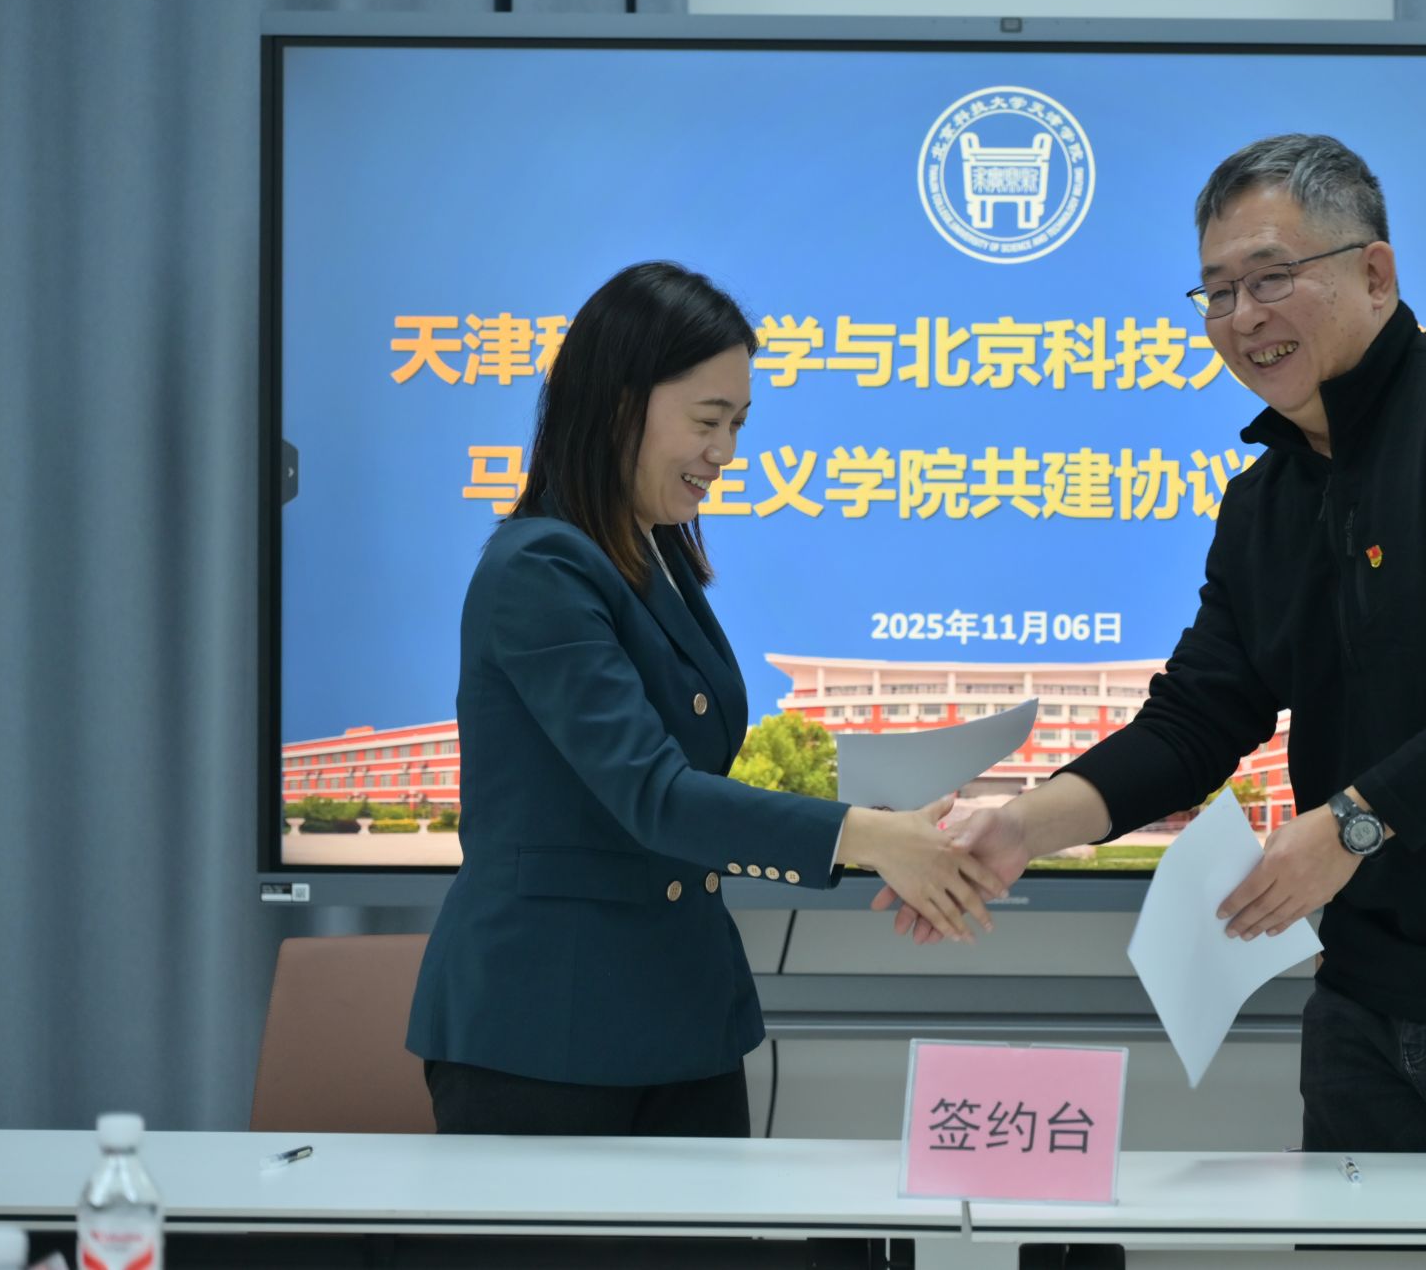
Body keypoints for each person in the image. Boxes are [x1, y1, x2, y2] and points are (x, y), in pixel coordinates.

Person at [880, 134, 1426, 1155]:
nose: (1242, 318)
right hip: (1367, 1000)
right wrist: (1018, 829)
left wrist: (1352, 823)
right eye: (1218, 292)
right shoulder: (1262, 503)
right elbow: (1195, 718)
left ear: (1375, 273)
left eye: (1271, 277)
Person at [408, 261, 1003, 1137]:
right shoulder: (539, 568)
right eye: (707, 420)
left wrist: (883, 826)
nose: (725, 452)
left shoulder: (653, 554)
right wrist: (871, 839)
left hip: (679, 1018)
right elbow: (653, 793)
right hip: (545, 1026)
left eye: (738, 424)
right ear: (619, 403)